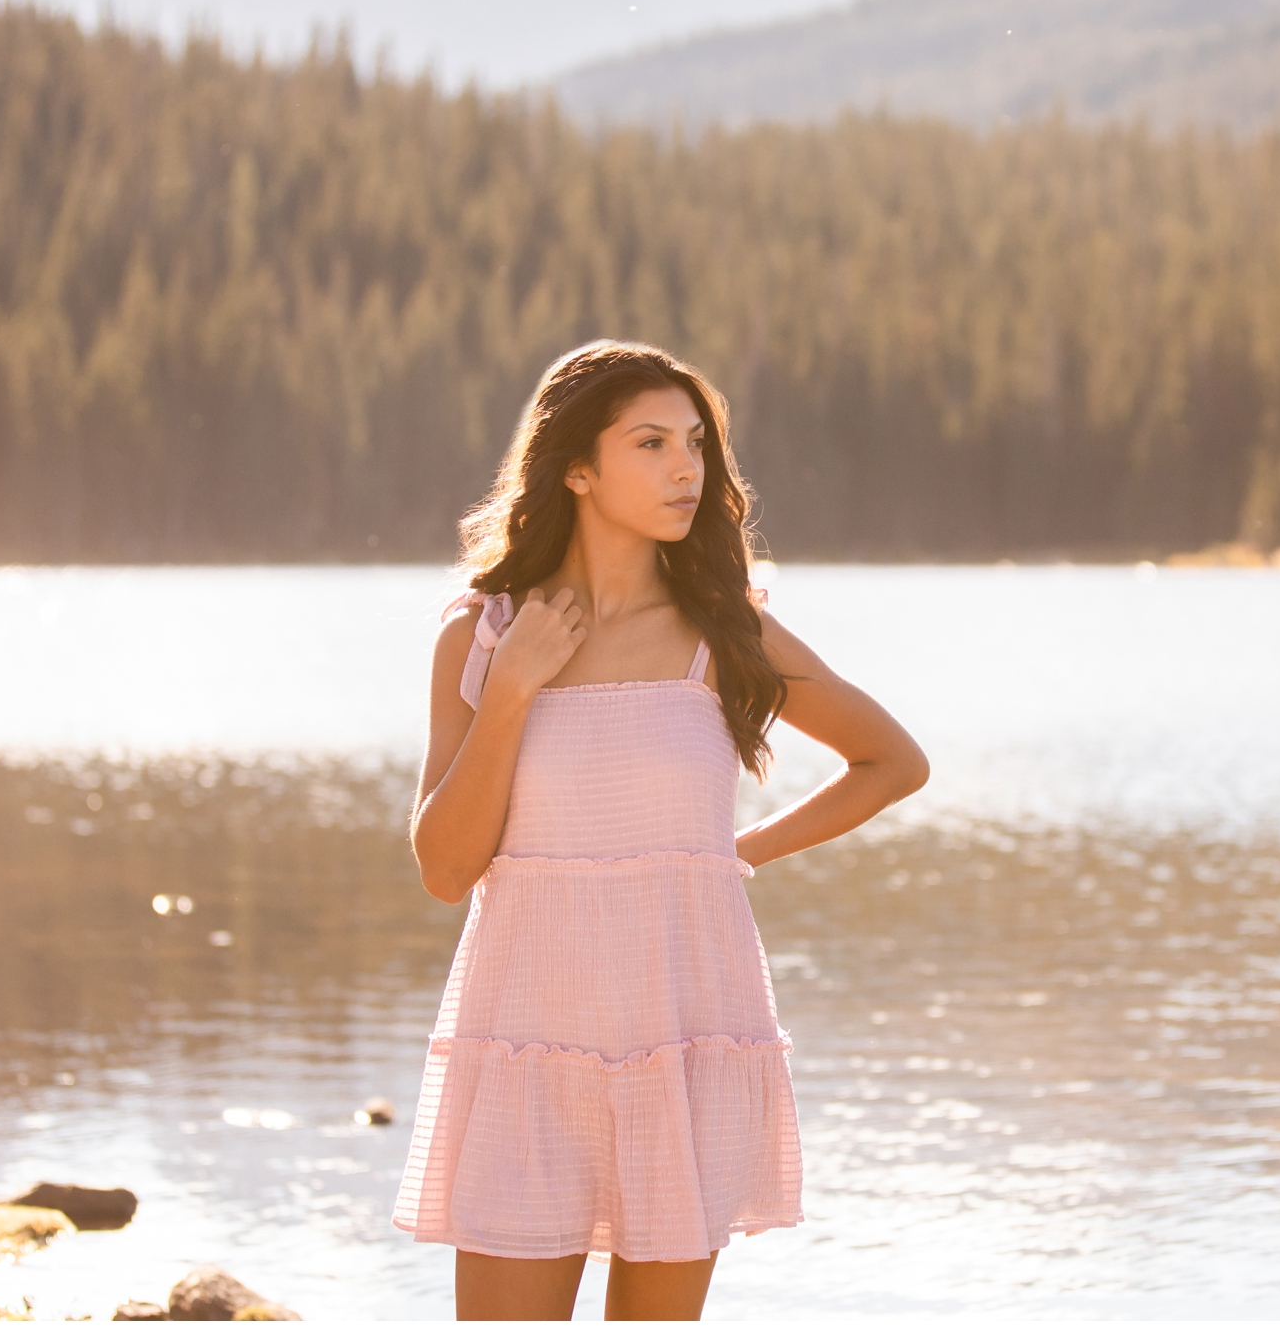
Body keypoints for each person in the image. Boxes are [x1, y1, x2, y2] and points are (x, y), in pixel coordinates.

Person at [394, 339, 929, 1321]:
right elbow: (445, 867)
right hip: (527, 1043)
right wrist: (512, 690)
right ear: (577, 467)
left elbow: (893, 762)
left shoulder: (726, 632)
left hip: (681, 1042)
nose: (687, 468)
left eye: (695, 444)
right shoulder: (481, 634)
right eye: (651, 442)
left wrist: (734, 855)